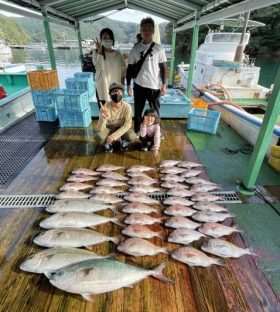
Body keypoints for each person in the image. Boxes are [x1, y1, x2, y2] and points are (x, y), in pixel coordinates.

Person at [126, 17, 167, 133]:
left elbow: (163, 67)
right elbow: (129, 69)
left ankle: (157, 133)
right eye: (144, 29)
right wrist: (128, 85)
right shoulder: (135, 48)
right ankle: (138, 132)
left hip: (154, 85)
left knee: (156, 112)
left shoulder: (159, 49)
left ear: (153, 31)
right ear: (141, 31)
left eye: (149, 29)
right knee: (138, 111)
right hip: (139, 85)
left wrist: (164, 84)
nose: (146, 31)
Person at [94, 83, 138, 153]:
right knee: (98, 136)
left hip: (121, 127)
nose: (117, 93)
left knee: (132, 136)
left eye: (119, 91)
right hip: (108, 128)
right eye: (114, 91)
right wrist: (103, 117)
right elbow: (100, 129)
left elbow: (128, 124)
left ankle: (123, 141)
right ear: (110, 94)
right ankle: (107, 143)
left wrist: (114, 136)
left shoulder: (127, 107)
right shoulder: (105, 107)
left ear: (123, 94)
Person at [92, 28, 125, 108]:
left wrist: (122, 86)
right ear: (101, 40)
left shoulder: (118, 54)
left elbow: (123, 72)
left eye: (109, 38)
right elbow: (99, 68)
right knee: (104, 114)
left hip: (116, 89)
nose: (107, 40)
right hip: (102, 88)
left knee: (116, 112)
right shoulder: (96, 52)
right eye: (104, 38)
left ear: (113, 40)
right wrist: (100, 51)